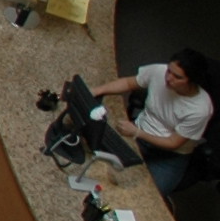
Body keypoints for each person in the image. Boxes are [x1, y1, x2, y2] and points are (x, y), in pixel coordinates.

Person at [91, 49, 214, 196]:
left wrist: (137, 132)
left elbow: (173, 143)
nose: (168, 78)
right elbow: (129, 83)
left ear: (192, 81)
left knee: (144, 195)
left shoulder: (200, 109)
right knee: (98, 166)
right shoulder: (159, 71)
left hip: (169, 156)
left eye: (177, 77)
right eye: (169, 71)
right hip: (140, 133)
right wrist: (97, 90)